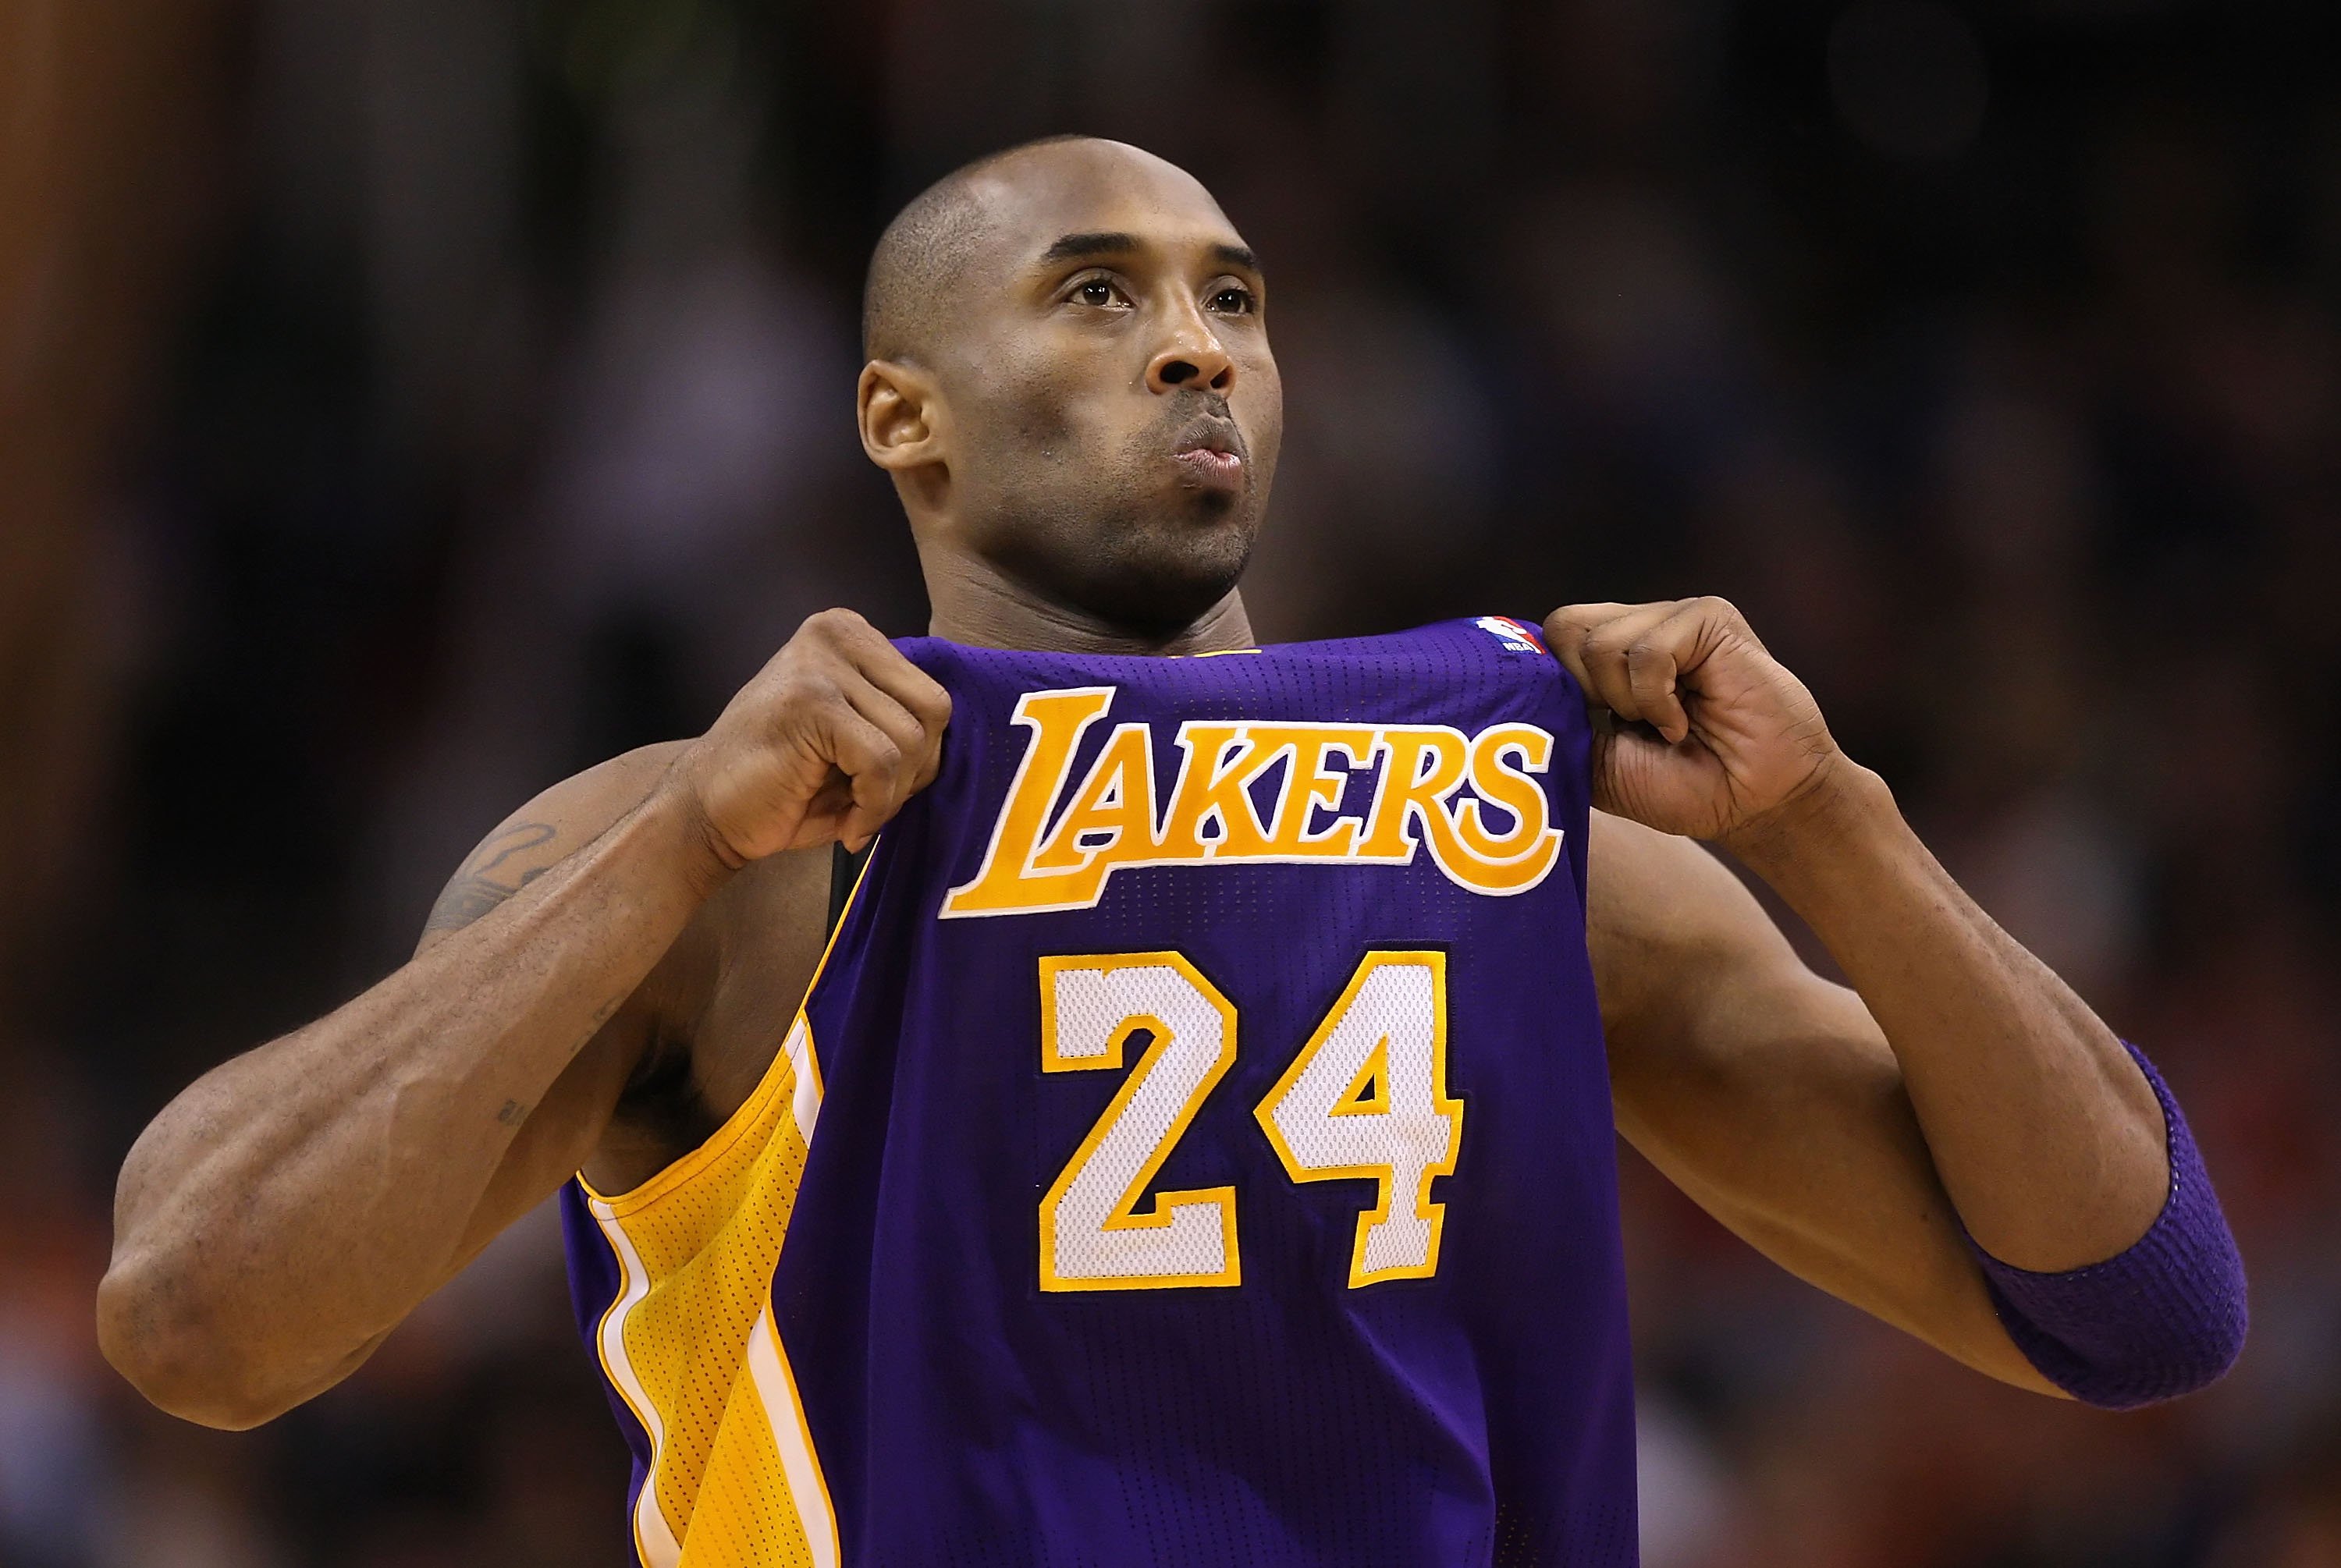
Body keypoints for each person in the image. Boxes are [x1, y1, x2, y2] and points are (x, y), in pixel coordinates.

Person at [98, 137, 2244, 1565]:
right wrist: (667, 847)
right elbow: (197, 1314)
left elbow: (2143, 1307)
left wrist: (1836, 825)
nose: (1199, 341)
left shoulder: (1523, 847)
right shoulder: (738, 852)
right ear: (901, 414)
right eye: (1100, 296)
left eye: (1235, 296)